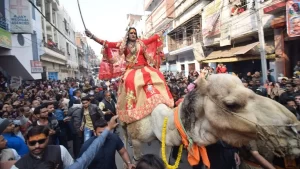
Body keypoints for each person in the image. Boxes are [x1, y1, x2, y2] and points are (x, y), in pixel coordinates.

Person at [85, 28, 174, 123]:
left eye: (135, 33)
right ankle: (132, 109)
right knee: (129, 81)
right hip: (132, 70)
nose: (133, 34)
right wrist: (92, 36)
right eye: (131, 33)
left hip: (145, 68)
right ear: (128, 34)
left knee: (158, 75)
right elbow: (107, 43)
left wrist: (162, 32)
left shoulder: (141, 43)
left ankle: (162, 99)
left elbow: (153, 38)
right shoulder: (123, 45)